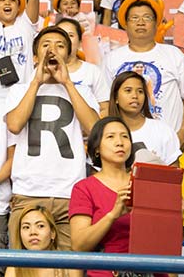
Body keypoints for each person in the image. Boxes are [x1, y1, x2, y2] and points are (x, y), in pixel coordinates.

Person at [103, 0, 184, 235]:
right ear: (124, 22)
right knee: (126, 224)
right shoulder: (112, 58)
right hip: (123, 155)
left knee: (179, 223)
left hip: (172, 151)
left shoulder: (172, 54)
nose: (140, 22)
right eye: (134, 17)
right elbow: (105, 104)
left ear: (156, 23)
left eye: (147, 17)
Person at [6, 27, 100, 250]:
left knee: (70, 267)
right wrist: (36, 82)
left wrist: (67, 83)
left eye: (60, 46)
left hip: (71, 192)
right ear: (36, 56)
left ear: (68, 56)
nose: (52, 50)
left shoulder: (82, 91)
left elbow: (95, 129)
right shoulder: (19, 91)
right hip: (28, 192)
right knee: (23, 269)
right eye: (46, 44)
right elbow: (15, 124)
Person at [68, 117, 136, 277]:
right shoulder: (84, 188)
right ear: (97, 148)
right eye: (111, 137)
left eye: (125, 136)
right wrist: (112, 215)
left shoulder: (145, 184)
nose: (120, 142)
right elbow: (78, 244)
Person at [107, 71, 181, 166]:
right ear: (116, 97)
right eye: (128, 90)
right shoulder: (105, 133)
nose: (135, 96)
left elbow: (174, 174)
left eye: (140, 91)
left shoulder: (163, 130)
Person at [6, 206, 79, 277]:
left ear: (52, 233)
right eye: (26, 227)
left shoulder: (70, 267)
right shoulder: (14, 268)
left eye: (40, 226)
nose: (33, 232)